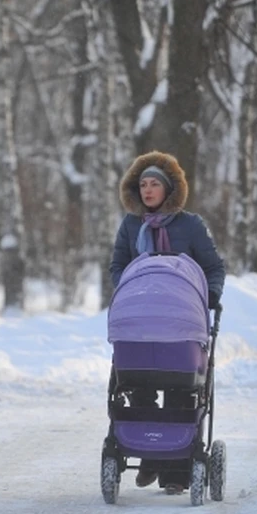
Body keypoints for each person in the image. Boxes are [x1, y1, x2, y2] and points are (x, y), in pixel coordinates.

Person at [109, 150, 226, 493]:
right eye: (142, 184)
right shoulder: (131, 226)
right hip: (140, 321)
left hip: (181, 322)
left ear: (169, 189)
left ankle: (175, 469)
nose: (147, 191)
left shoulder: (190, 225)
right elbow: (118, 264)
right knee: (138, 387)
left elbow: (213, 267)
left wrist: (211, 294)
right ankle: (150, 456)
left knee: (181, 389)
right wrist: (126, 289)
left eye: (154, 184)